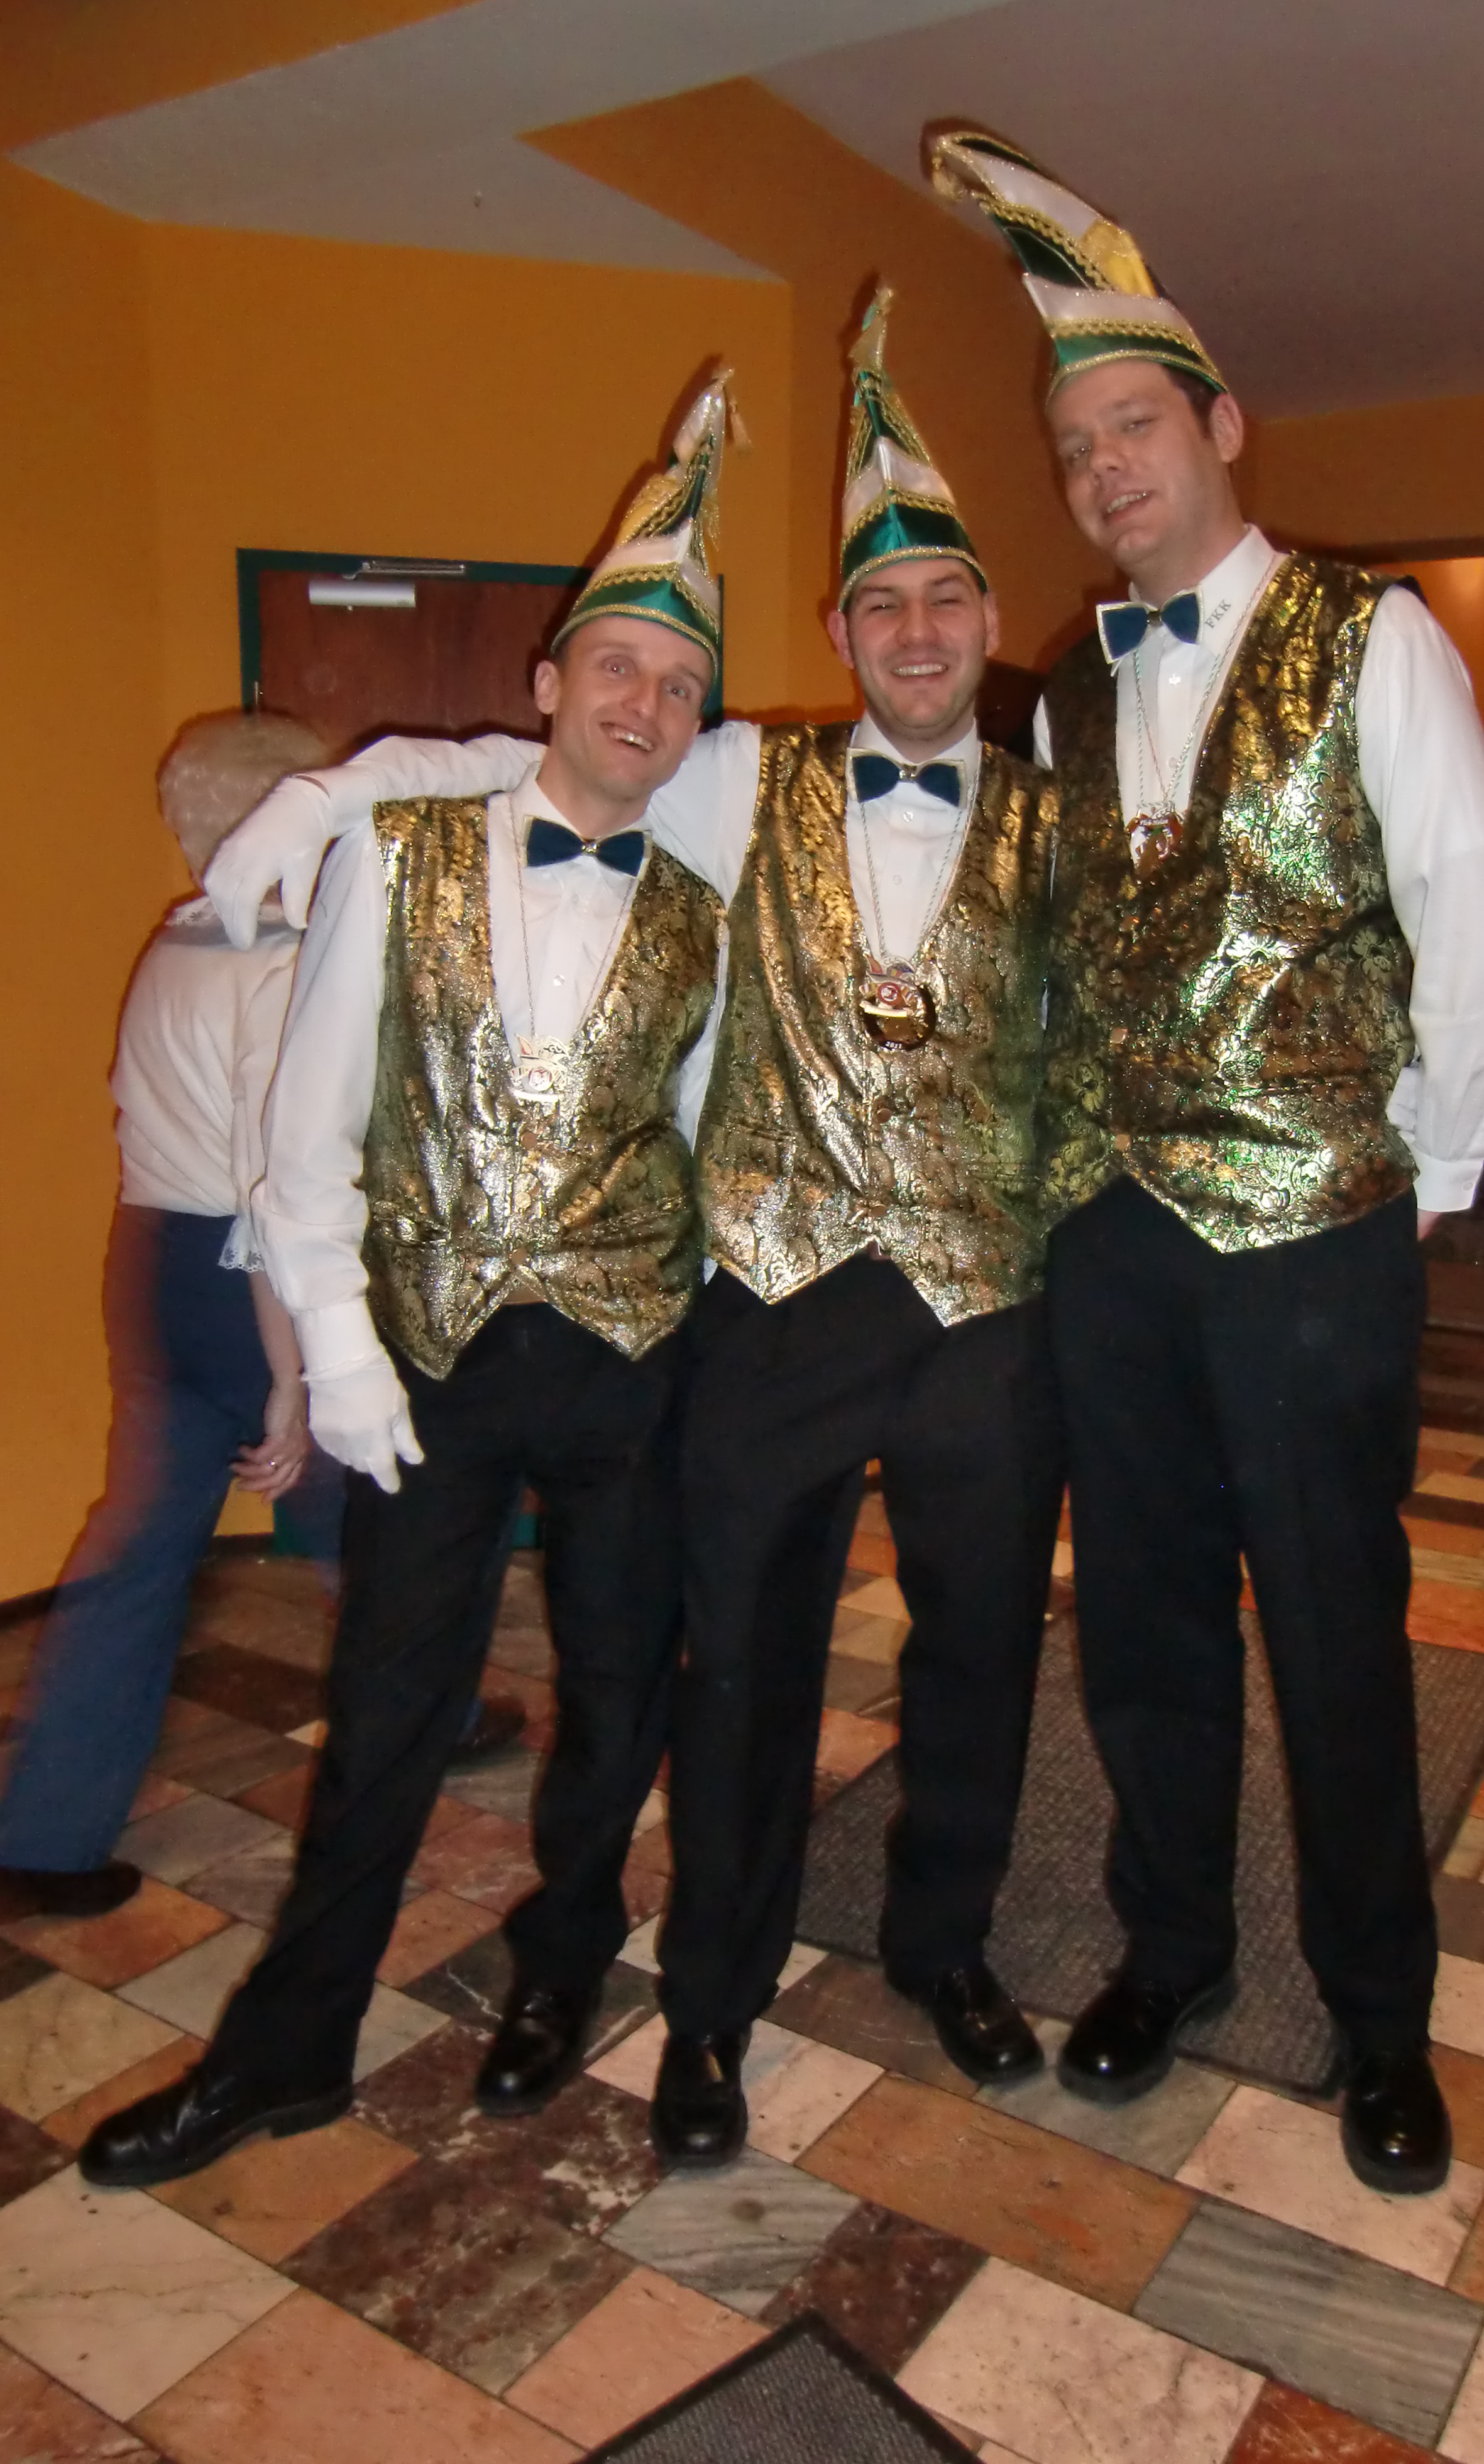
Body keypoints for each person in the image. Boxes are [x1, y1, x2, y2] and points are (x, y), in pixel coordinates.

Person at [200, 292, 1065, 2168]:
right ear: (839, 633)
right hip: (767, 1307)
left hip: (984, 1315)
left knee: (981, 1655)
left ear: (992, 621)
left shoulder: (1058, 822)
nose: (919, 633)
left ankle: (945, 1944)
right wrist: (328, 790)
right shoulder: (743, 778)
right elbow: (523, 775)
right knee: (733, 1675)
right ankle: (709, 2013)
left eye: (949, 601)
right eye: (884, 607)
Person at [931, 129, 1484, 2194]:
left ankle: (1380, 2016)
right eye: (1072, 447)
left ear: (1219, 427)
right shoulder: (1059, 701)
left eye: (1131, 424)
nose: (1102, 467)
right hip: (1112, 1238)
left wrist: (1418, 1179)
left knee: (1338, 1633)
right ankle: (1172, 1954)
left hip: (1313, 1236)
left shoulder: (1370, 636)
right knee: (1144, 1626)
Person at [81, 375, 735, 2189]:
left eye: (680, 686)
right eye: (617, 666)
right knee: (382, 1716)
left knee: (619, 1694)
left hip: (630, 1365)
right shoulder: (403, 847)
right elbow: (308, 1141)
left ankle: (561, 1968)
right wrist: (349, 1365)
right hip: (429, 1365)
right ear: (547, 681)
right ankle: (283, 2054)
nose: (644, 704)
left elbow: (689, 1142)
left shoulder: (704, 907)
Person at [0, 715, 329, 1919]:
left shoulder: (174, 942)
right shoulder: (281, 968)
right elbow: (269, 1194)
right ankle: (430, 1719)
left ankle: (43, 1834)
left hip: (148, 1262)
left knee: (134, 1553)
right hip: (247, 1285)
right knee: (390, 1516)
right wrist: (291, 1382)